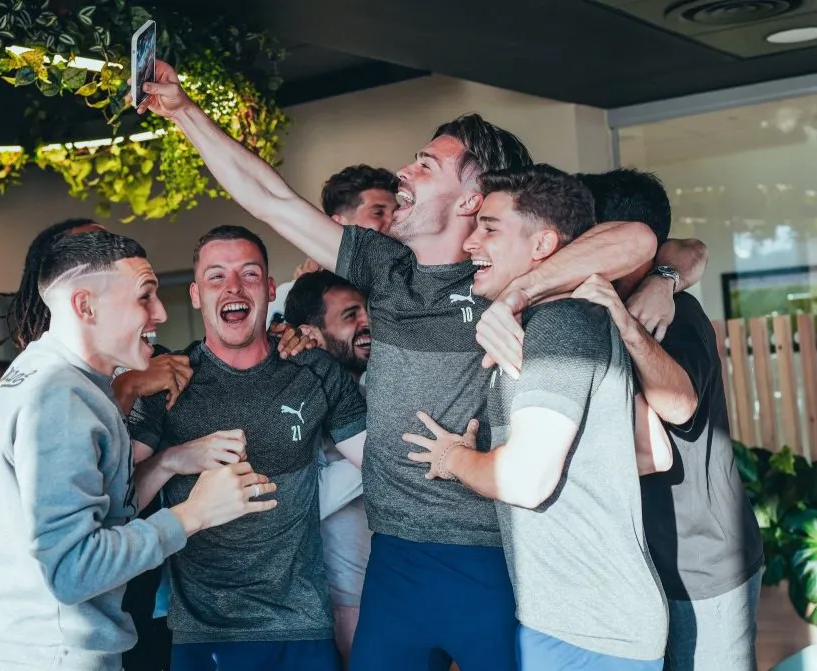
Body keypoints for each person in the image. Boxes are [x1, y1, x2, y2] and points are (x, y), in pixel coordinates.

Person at [139, 61, 662, 671]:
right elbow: (270, 199)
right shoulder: (383, 269)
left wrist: (537, 293)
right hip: (392, 560)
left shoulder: (505, 274)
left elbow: (640, 239)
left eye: (425, 164)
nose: (402, 174)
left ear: (471, 198)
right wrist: (183, 112)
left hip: (488, 556)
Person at [0, 229, 277, 671]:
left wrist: (171, 461)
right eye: (144, 297)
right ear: (84, 305)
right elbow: (75, 570)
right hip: (53, 655)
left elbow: (103, 515)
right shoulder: (59, 396)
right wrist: (196, 513)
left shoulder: (54, 372)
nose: (161, 313)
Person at [403, 164, 669, 669]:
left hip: (581, 627)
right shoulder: (575, 316)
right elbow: (649, 450)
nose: (469, 244)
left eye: (490, 228)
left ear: (543, 244)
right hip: (608, 620)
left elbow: (526, 481)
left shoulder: (555, 327)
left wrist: (454, 457)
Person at [127, 226, 368, 671]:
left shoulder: (312, 369)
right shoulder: (169, 381)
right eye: (216, 277)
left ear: (270, 289)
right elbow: (121, 504)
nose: (233, 287)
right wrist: (170, 460)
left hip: (301, 626)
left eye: (249, 274)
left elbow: (377, 465)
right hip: (204, 633)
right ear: (196, 295)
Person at [571, 169, 764, 671]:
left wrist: (631, 327)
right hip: (644, 565)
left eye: (590, 236)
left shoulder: (679, 313)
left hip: (703, 565)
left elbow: (678, 407)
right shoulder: (614, 302)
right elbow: (687, 249)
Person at [283, 270, 371, 665]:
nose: (367, 323)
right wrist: (393, 440)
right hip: (344, 598)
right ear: (311, 334)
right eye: (351, 315)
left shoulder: (379, 384)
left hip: (404, 587)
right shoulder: (299, 401)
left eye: (368, 312)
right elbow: (302, 501)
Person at [268, 165, 397, 326]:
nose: (393, 222)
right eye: (378, 213)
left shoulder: (406, 287)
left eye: (396, 213)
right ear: (338, 225)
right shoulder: (285, 297)